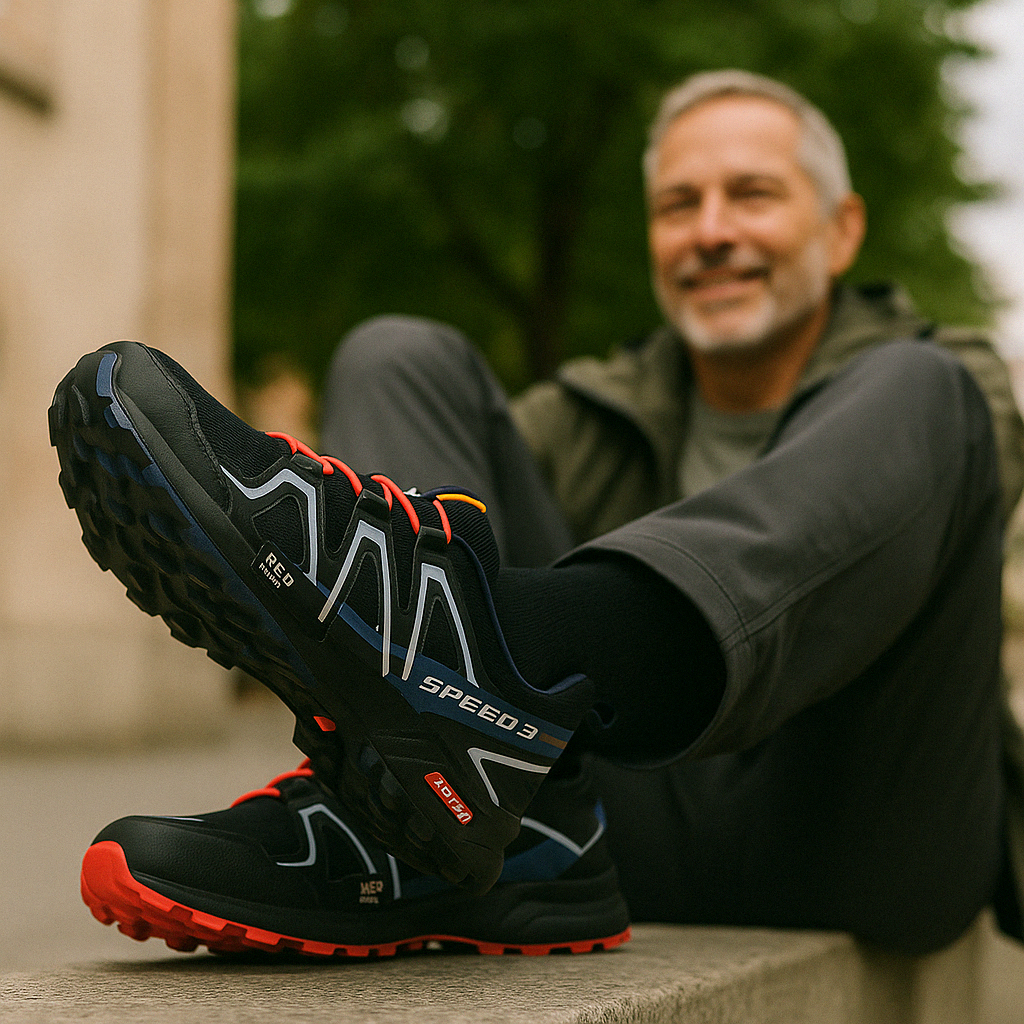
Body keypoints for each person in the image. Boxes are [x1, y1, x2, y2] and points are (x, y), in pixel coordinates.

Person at [52, 70, 1024, 960]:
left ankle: (474, 665)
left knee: (923, 390)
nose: (712, 229)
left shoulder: (946, 381)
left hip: (867, 832)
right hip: (611, 833)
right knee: (401, 353)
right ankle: (433, 820)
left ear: (842, 229)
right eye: (679, 205)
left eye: (753, 195)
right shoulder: (588, 409)